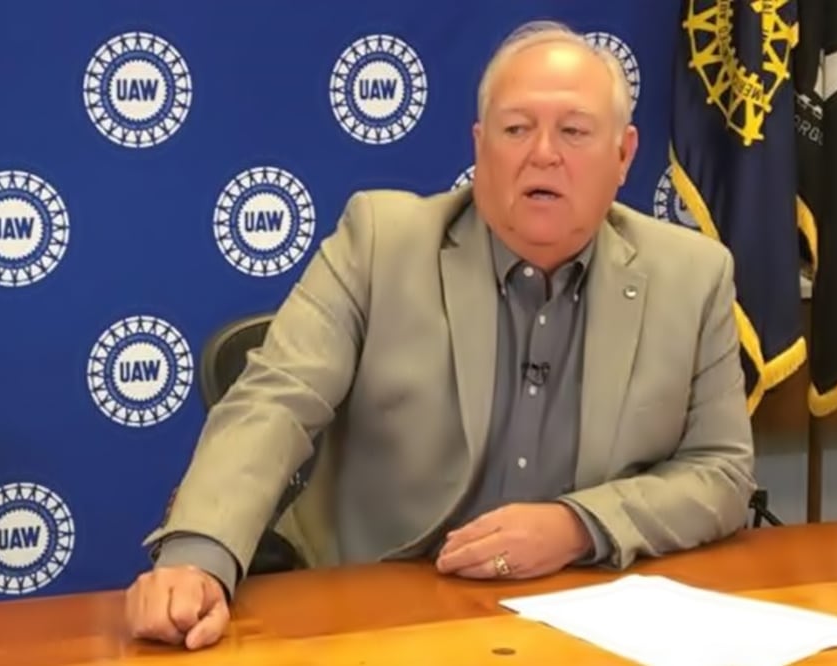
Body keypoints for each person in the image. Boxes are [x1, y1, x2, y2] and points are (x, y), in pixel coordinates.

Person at [124, 19, 756, 650]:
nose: (543, 153)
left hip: (589, 611)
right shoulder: (379, 243)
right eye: (516, 129)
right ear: (480, 149)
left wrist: (578, 526)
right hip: (379, 611)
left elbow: (722, 471)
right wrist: (196, 558)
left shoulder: (692, 276)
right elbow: (275, 398)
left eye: (574, 131)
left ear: (623, 156)